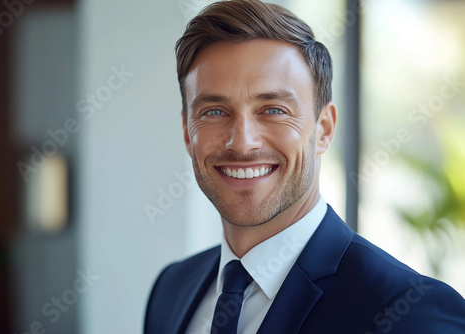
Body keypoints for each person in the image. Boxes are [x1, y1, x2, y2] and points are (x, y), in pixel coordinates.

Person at [144, 0, 465, 333]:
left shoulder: (412, 313)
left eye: (273, 110)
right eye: (214, 112)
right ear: (187, 133)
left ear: (324, 129)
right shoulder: (171, 290)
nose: (241, 143)